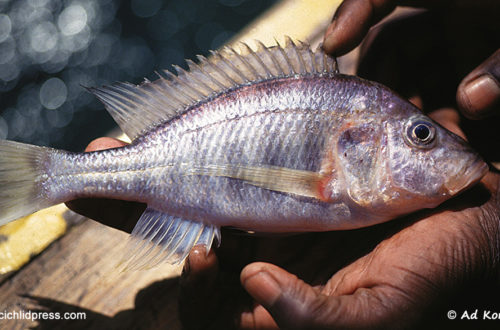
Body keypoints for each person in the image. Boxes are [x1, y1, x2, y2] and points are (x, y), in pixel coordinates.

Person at [68, 0, 500, 328]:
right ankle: (57, 176)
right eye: (419, 136)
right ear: (356, 143)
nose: (437, 147)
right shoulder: (338, 175)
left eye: (421, 134)